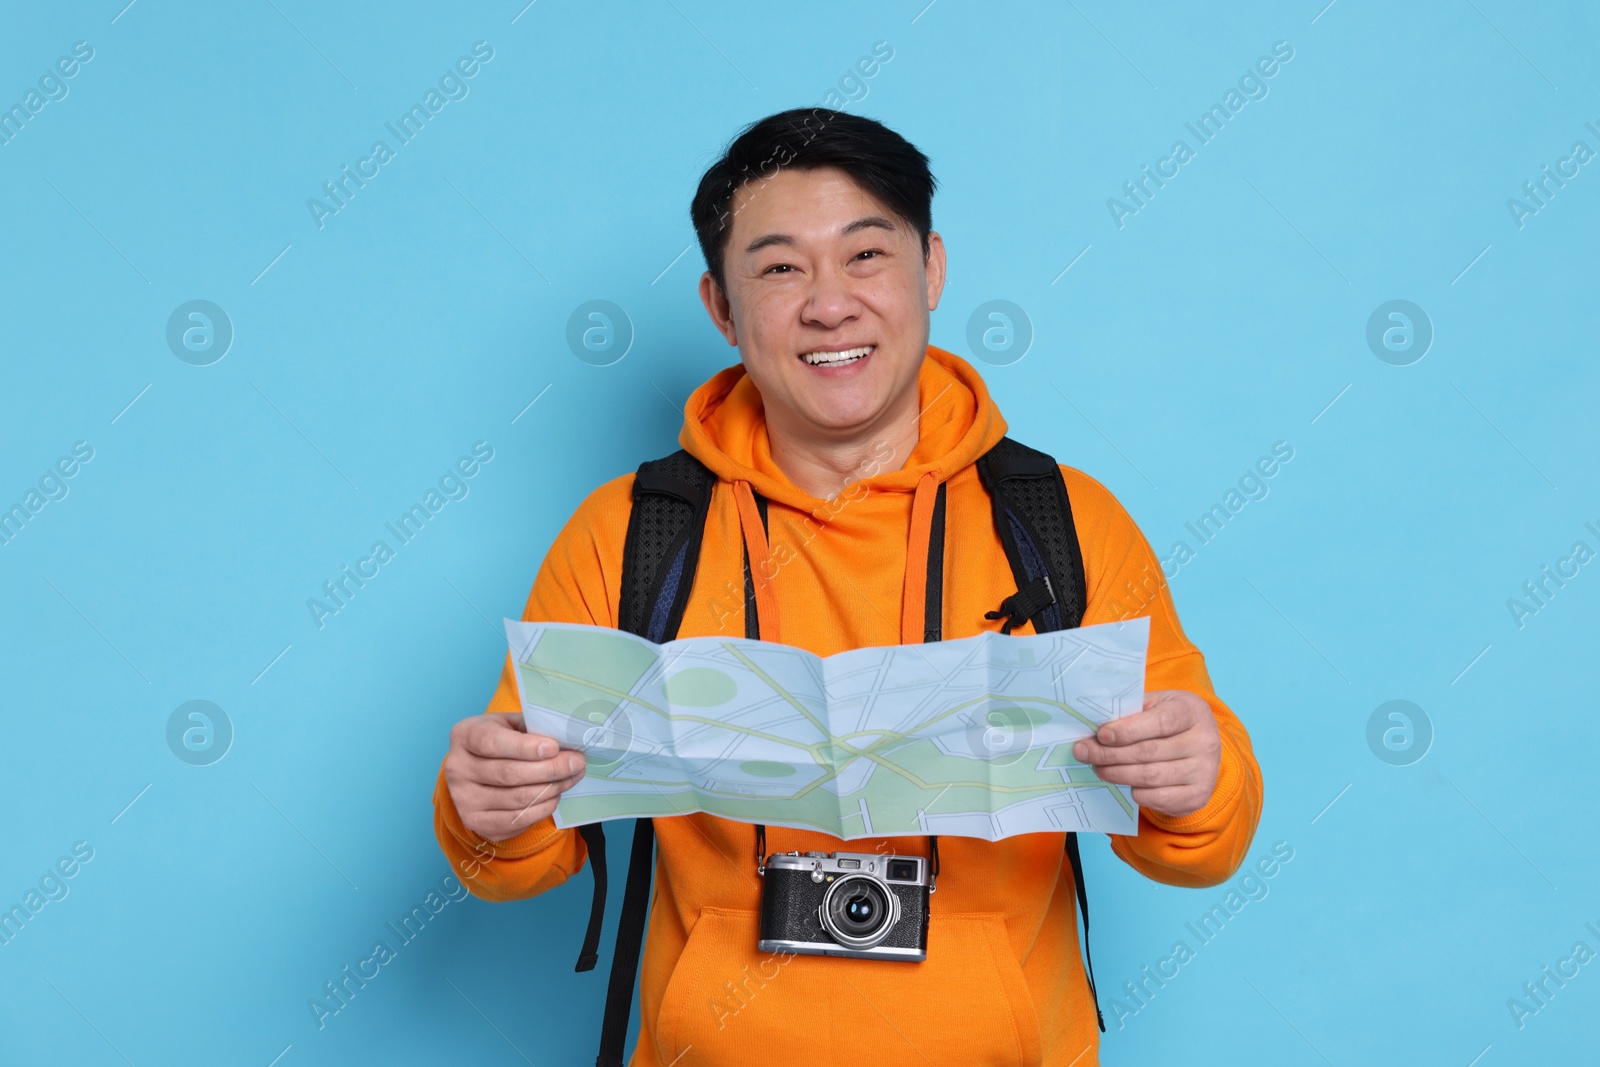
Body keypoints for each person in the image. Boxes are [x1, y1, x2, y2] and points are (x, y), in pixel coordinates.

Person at [434, 108, 1263, 1066]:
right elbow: (511, 862)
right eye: (780, 267)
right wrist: (487, 807)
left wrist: (1194, 781)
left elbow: (1207, 840)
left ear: (932, 269)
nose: (830, 303)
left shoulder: (1065, 522)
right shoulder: (629, 533)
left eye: (867, 254)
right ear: (721, 306)